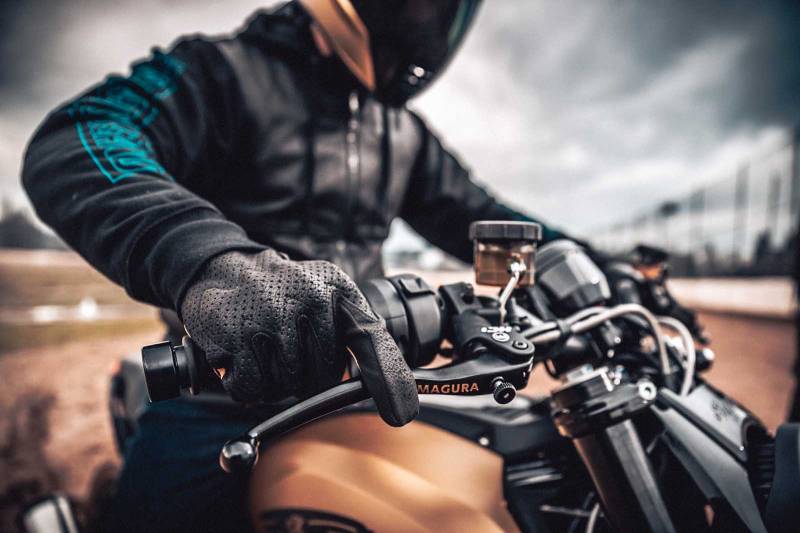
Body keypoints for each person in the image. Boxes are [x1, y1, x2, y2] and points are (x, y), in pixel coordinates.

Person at [22, 1, 571, 531]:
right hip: (222, 390)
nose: (429, 19)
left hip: (367, 381)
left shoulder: (402, 131)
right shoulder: (220, 71)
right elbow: (81, 136)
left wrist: (575, 258)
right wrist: (214, 262)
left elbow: (476, 213)